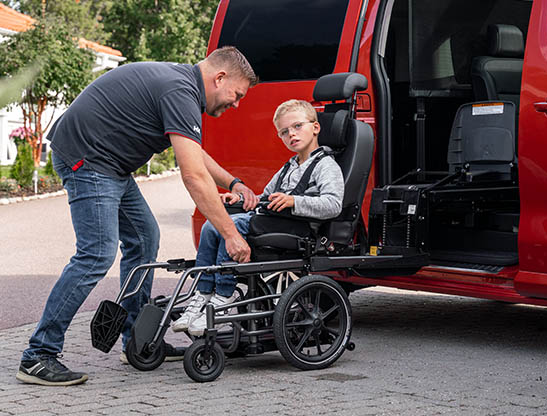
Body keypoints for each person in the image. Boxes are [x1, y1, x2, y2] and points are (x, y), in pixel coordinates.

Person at [16, 46, 259, 386]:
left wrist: (232, 181)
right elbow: (192, 176)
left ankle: (137, 342)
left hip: (110, 165)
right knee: (95, 255)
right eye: (236, 95)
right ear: (219, 78)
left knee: (144, 239)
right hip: (90, 160)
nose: (235, 104)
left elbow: (195, 153)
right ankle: (38, 355)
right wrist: (231, 234)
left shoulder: (180, 84)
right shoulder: (180, 90)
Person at [172, 99, 344, 336]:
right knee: (213, 225)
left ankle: (223, 297)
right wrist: (241, 201)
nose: (291, 134)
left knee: (231, 225)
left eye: (297, 126)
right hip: (274, 221)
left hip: (299, 228)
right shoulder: (289, 166)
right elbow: (265, 197)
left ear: (315, 127)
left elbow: (333, 205)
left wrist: (294, 201)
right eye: (284, 132)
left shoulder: (326, 166)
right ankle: (202, 296)